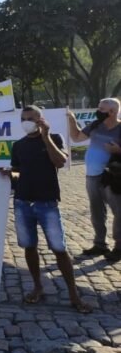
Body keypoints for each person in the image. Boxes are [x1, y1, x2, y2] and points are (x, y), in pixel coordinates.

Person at [5, 105, 90, 313]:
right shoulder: (18, 146)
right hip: (23, 202)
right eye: (23, 118)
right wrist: (7, 174)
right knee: (29, 247)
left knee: (59, 249)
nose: (26, 122)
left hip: (47, 203)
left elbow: (60, 162)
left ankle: (73, 295)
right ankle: (38, 287)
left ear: (40, 120)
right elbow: (18, 173)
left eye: (31, 118)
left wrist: (46, 136)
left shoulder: (55, 138)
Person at [67, 98, 121, 261]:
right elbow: (76, 137)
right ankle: (100, 245)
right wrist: (72, 120)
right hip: (92, 176)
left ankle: (119, 247)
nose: (97, 111)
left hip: (113, 178)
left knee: (119, 212)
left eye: (101, 109)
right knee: (96, 212)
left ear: (112, 112)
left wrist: (119, 150)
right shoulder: (96, 125)